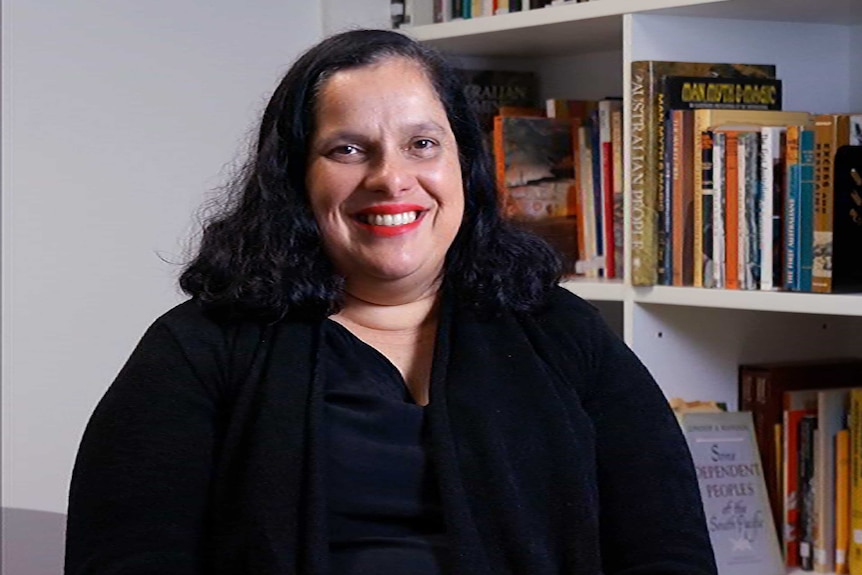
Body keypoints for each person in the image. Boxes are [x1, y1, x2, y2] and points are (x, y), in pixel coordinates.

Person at [64, 29, 717, 575]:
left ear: (465, 165)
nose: (390, 177)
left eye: (422, 143)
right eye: (348, 149)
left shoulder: (564, 333)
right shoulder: (199, 349)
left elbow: (669, 552)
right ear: (295, 176)